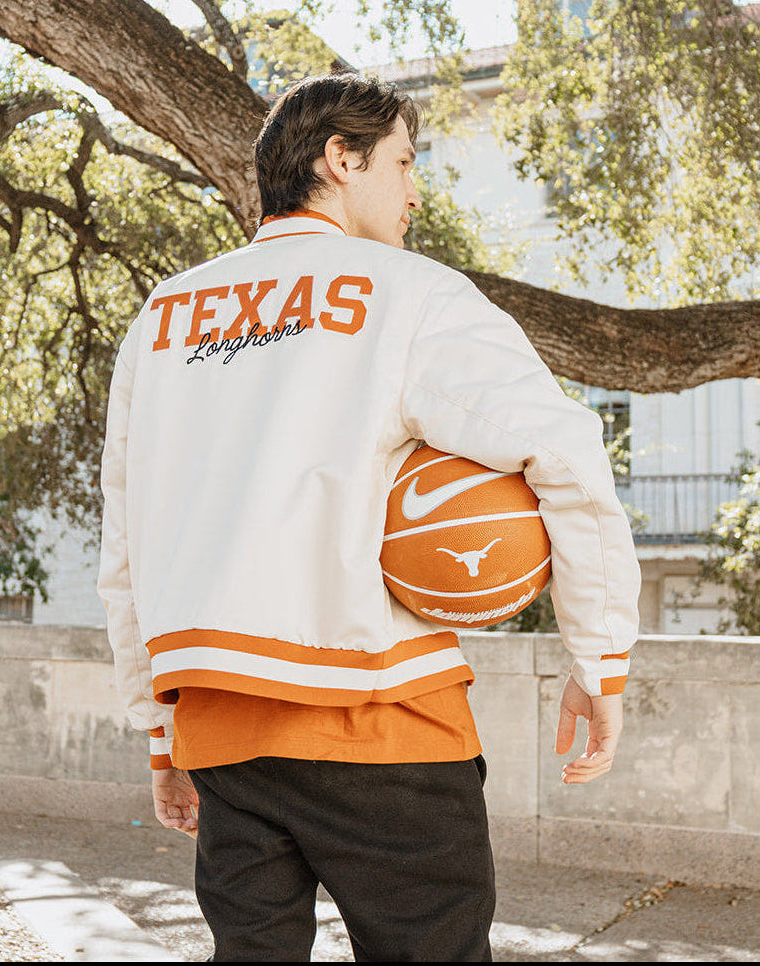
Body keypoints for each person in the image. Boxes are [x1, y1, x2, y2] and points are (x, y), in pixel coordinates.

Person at [98, 73, 640, 962]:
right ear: (339, 159)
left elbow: (127, 541)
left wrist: (159, 731)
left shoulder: (161, 317)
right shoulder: (410, 292)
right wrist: (601, 655)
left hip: (221, 733)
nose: (415, 189)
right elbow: (568, 460)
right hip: (382, 721)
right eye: (403, 160)